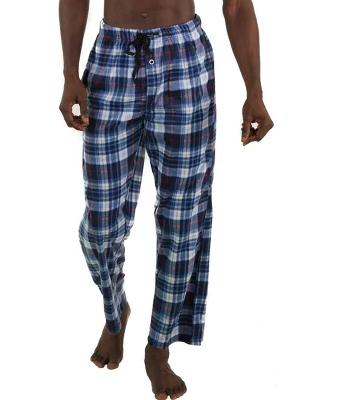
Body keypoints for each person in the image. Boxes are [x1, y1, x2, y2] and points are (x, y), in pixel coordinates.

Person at [59, 1, 274, 399]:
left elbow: (237, 6)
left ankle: (158, 347)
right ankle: (115, 311)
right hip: (113, 58)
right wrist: (70, 72)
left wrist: (254, 92)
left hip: (183, 59)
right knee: (100, 225)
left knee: (182, 219)